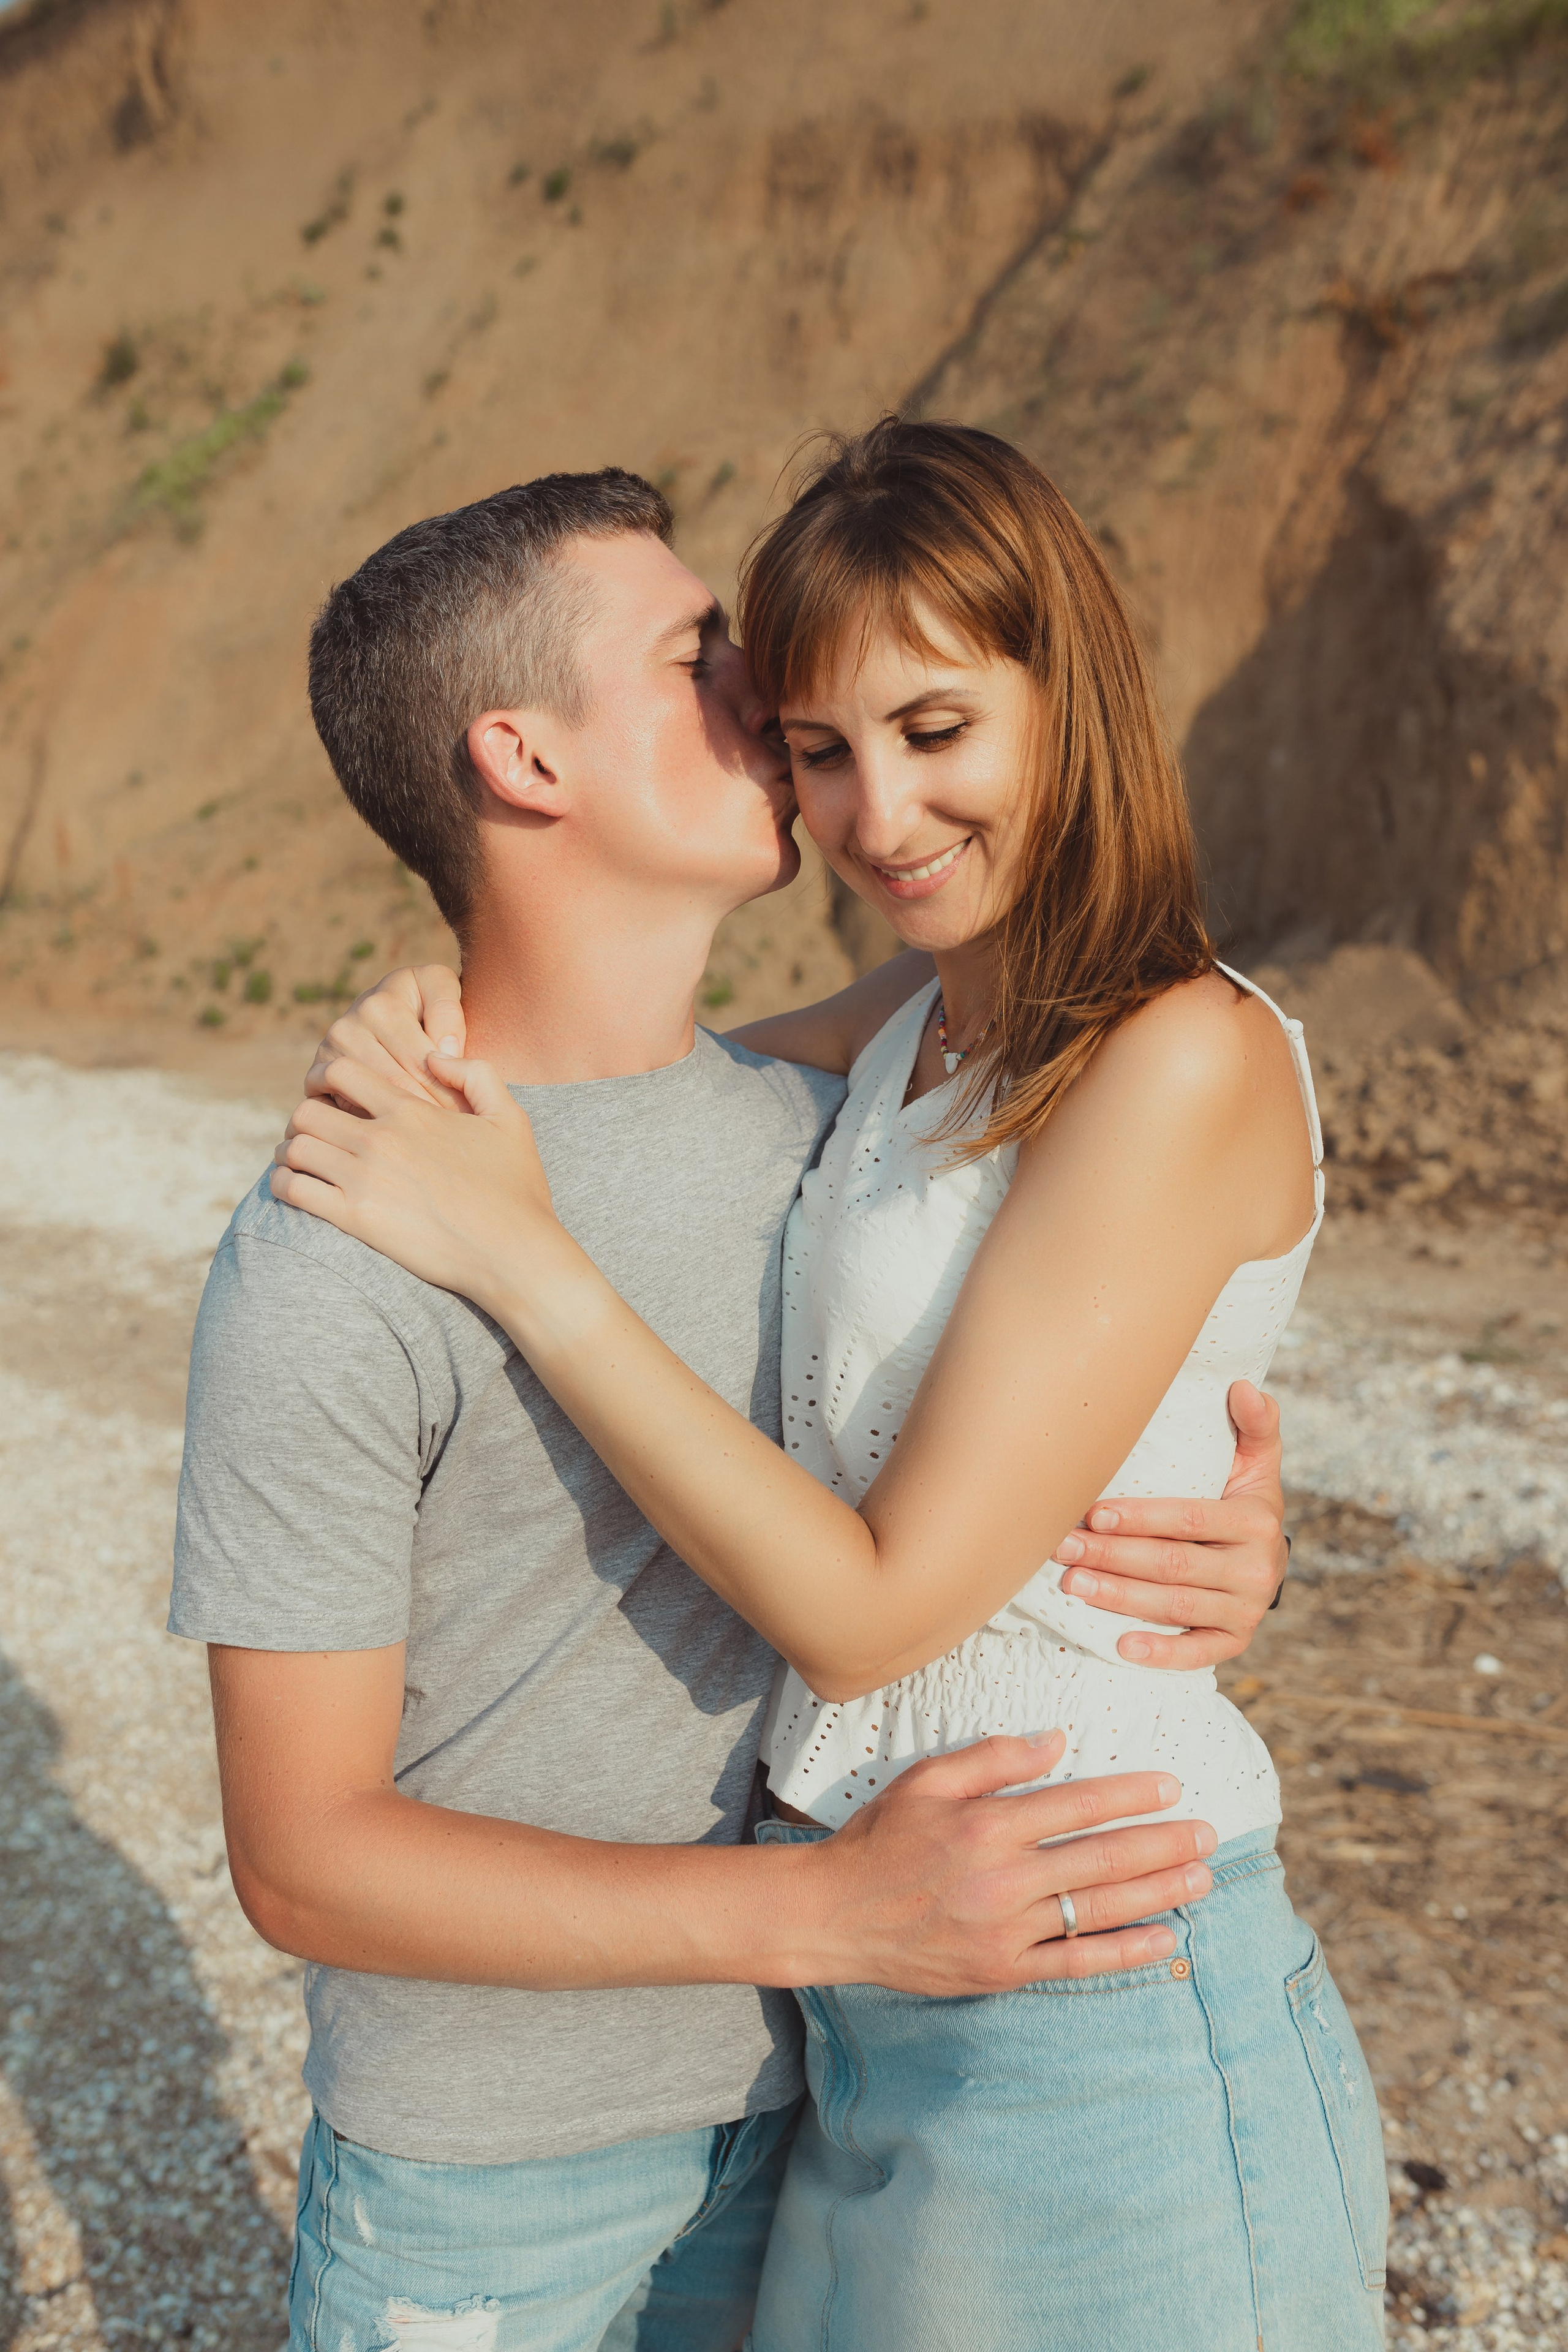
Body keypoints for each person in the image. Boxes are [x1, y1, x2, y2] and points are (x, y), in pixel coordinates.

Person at [273, 424, 1387, 2352]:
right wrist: (417, 1025)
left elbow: (873, 1613)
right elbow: (624, 1092)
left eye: (939, 727)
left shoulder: (1178, 1053)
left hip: (1101, 1983)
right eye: (822, 745)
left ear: (1075, 691)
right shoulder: (919, 1012)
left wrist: (526, 1262)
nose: (879, 814)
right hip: (868, 2006)